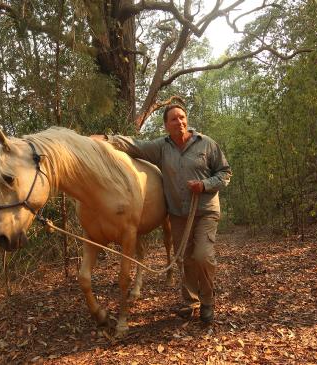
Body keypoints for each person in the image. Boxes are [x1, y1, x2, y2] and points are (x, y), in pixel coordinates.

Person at [91, 104, 231, 323]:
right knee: (184, 259)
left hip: (205, 211)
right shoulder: (161, 148)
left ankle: (207, 301)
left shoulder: (207, 144)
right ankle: (191, 301)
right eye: (174, 119)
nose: (180, 122)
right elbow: (135, 145)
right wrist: (106, 139)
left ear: (187, 119)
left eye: (182, 117)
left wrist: (204, 185)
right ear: (166, 125)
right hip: (177, 214)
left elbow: (225, 173)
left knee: (202, 256)